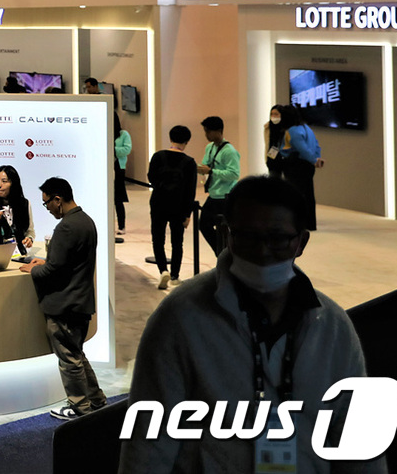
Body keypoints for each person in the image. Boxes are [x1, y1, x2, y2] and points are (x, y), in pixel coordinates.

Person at [119, 176, 379, 474]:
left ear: (301, 242)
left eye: (277, 239)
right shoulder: (181, 317)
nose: (263, 252)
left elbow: (357, 442)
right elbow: (149, 441)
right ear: (227, 234)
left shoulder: (332, 326)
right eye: (248, 237)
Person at [19, 176, 105, 420]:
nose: (47, 208)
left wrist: (34, 270)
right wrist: (46, 264)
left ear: (58, 200)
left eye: (47, 203)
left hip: (65, 304)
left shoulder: (67, 227)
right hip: (81, 301)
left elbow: (53, 271)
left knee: (69, 359)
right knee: (77, 355)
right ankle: (96, 400)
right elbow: (67, 263)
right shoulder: (86, 221)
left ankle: (79, 408)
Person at [147, 124, 198, 290]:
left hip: (158, 202)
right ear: (187, 141)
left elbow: (151, 177)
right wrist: (188, 214)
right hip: (178, 206)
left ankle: (163, 270)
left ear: (170, 138)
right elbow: (190, 190)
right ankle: (175, 276)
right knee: (177, 241)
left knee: (158, 238)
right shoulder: (189, 162)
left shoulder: (158, 156)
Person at [196, 115, 240, 256]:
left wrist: (211, 171)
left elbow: (234, 174)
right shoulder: (209, 147)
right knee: (204, 225)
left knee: (224, 228)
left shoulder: (229, 151)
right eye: (205, 131)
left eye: (209, 131)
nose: (206, 135)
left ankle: (226, 254)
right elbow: (206, 164)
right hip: (214, 194)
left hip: (225, 196)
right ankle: (222, 253)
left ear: (219, 131)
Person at [282, 104, 324, 230]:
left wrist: (313, 160)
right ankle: (310, 223)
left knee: (296, 195)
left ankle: (297, 223)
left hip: (297, 166)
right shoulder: (307, 128)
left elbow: (302, 149)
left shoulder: (292, 131)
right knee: (309, 195)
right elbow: (316, 145)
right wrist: (316, 159)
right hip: (308, 166)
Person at [114, 113, 132, 241]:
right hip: (105, 167)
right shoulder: (104, 132)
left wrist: (112, 149)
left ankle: (121, 225)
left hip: (118, 168)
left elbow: (127, 149)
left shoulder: (124, 134)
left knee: (118, 198)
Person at [263, 103, 291, 181]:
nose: (273, 116)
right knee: (274, 182)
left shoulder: (287, 128)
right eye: (272, 114)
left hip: (284, 159)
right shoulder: (268, 127)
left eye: (276, 114)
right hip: (271, 159)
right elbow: (267, 144)